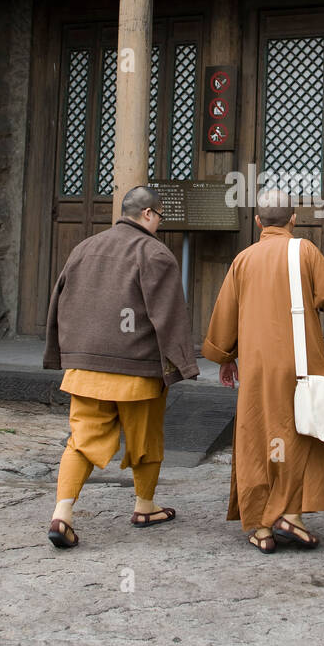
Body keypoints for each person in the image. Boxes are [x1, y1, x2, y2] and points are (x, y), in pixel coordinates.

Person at [43, 184, 198, 548]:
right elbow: (169, 315)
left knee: (81, 442)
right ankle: (145, 505)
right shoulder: (155, 253)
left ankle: (62, 514)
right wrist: (182, 365)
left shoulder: (85, 248)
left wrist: (61, 352)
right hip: (137, 370)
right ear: (148, 214)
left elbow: (59, 301)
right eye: (159, 216)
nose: (159, 223)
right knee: (145, 442)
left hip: (85, 371)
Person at [201, 189, 324, 555]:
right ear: (294, 219)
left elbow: (225, 316)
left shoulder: (243, 259)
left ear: (258, 222)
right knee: (301, 433)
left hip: (257, 366)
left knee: (258, 438)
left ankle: (261, 525)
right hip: (302, 364)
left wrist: (225, 357)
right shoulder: (304, 251)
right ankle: (293, 514)